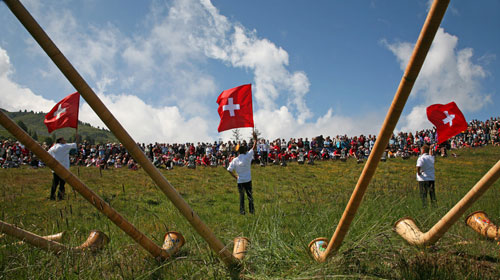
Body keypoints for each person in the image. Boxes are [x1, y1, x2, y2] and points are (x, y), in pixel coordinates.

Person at [227, 131, 258, 215]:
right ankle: (251, 211)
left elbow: (229, 170)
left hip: (240, 180)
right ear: (244, 151)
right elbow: (254, 147)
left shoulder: (235, 160)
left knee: (241, 197)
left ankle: (242, 212)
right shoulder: (248, 156)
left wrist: (235, 176)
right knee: (250, 196)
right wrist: (255, 138)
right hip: (248, 180)